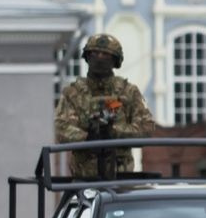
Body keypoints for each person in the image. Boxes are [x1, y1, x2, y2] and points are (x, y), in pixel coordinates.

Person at [54, 33, 154, 180]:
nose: (100, 58)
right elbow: (61, 127)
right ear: (87, 57)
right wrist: (87, 138)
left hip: (122, 177)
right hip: (83, 178)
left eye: (106, 55)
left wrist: (114, 132)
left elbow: (147, 127)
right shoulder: (73, 93)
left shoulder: (128, 92)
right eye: (95, 53)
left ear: (115, 60)